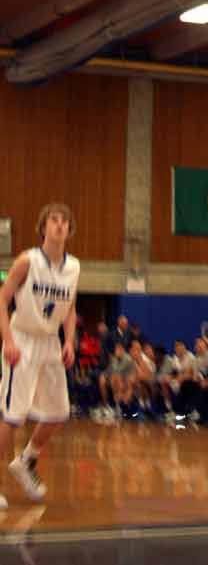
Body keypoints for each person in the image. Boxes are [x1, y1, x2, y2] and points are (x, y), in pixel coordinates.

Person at [0, 203, 80, 504]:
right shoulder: (27, 261)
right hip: (22, 339)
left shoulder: (74, 267)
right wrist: (7, 340)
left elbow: (70, 307)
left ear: (69, 230)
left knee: (59, 413)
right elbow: (2, 298)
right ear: (43, 227)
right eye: (53, 220)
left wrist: (70, 341)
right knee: (12, 416)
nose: (59, 225)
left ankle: (26, 460)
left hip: (51, 343)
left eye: (64, 221)